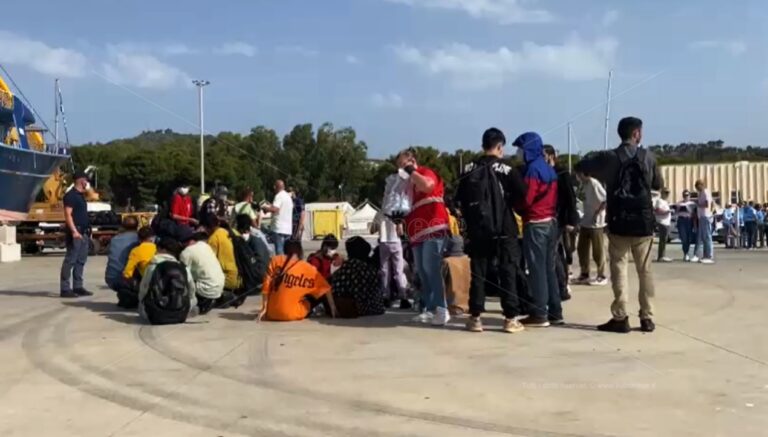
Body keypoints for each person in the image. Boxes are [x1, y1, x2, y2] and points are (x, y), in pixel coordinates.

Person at [576, 116, 662, 333]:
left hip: (618, 221)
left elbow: (582, 166)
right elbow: (658, 184)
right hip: (643, 222)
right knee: (645, 271)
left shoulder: (610, 157)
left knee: (619, 268)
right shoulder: (648, 156)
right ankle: (647, 316)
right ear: (637, 134)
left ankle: (620, 316)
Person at [455, 127, 527, 333]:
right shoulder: (507, 169)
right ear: (499, 146)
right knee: (508, 272)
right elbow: (523, 195)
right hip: (504, 228)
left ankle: (475, 317)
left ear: (482, 145)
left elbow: (458, 198)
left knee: (478, 272)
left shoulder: (468, 169)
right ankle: (510, 318)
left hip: (478, 230)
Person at [396, 148, 452, 326]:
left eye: (403, 164)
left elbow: (428, 186)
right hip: (416, 231)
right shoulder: (407, 185)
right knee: (421, 270)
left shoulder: (424, 172)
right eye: (399, 166)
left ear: (412, 161)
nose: (401, 168)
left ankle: (441, 308)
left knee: (431, 267)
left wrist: (411, 171)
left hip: (434, 225)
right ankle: (428, 308)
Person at [513, 132, 562, 328]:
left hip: (535, 223)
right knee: (549, 269)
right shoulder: (549, 169)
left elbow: (527, 199)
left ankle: (539, 313)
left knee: (536, 270)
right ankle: (555, 311)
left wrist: (515, 206)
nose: (518, 153)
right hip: (551, 222)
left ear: (528, 149)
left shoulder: (532, 170)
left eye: (520, 149)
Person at [259, 240, 337, 322]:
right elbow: (326, 288)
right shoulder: (307, 268)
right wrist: (333, 308)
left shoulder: (275, 260)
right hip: (293, 314)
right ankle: (316, 310)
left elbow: (265, 288)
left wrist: (264, 308)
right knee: (316, 293)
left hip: (271, 313)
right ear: (300, 251)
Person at [543, 145, 579, 299]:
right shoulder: (544, 172)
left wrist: (571, 220)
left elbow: (571, 198)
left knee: (556, 252)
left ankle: (562, 285)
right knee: (557, 252)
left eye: (543, 155)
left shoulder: (562, 173)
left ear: (551, 156)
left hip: (561, 218)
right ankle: (560, 284)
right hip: (550, 216)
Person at [138, 238, 197, 323]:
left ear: (161, 249)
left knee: (141, 303)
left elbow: (144, 289)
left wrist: (141, 303)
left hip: (156, 315)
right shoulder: (183, 267)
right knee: (194, 300)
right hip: (180, 314)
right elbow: (192, 289)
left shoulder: (152, 266)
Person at [330, 237, 386, 317]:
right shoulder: (370, 268)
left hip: (357, 308)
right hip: (376, 307)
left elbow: (337, 289)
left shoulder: (349, 267)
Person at [60, 171, 94, 298]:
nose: (88, 182)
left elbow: (94, 196)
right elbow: (68, 215)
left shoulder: (81, 195)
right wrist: (74, 231)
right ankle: (65, 288)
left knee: (81, 260)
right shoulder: (70, 196)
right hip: (76, 231)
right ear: (81, 180)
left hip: (84, 231)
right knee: (70, 260)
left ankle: (78, 286)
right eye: (86, 180)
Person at [373, 193, 410, 309]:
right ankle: (403, 297)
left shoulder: (379, 213)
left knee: (385, 271)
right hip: (396, 243)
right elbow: (400, 232)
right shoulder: (396, 214)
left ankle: (385, 296)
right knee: (398, 271)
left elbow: (372, 230)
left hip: (384, 243)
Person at [574, 168, 608, 284]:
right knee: (582, 248)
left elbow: (605, 200)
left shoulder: (594, 183)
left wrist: (597, 213)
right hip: (585, 220)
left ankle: (602, 275)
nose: (577, 176)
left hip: (596, 222)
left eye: (578, 174)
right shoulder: (583, 185)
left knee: (597, 250)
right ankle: (584, 273)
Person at [179, 232, 225, 314]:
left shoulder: (186, 252)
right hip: (220, 285)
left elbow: (184, 275)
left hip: (206, 289)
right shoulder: (205, 246)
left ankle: (201, 302)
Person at [204, 213, 240, 294]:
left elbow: (208, 263)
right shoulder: (233, 232)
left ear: (206, 228)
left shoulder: (213, 239)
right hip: (241, 277)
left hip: (229, 279)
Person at [104, 216, 140, 292]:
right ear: (137, 225)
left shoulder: (114, 239)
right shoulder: (139, 240)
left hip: (111, 278)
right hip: (128, 279)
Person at [262, 180, 294, 255]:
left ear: (276, 187)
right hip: (288, 229)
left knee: (279, 251)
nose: (273, 188)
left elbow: (275, 209)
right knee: (286, 251)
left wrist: (265, 208)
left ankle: (280, 266)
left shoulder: (279, 196)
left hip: (279, 228)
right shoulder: (288, 197)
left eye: (274, 186)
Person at [695, 180, 715, 263]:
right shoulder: (702, 193)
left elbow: (707, 204)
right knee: (704, 237)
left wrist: (698, 205)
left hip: (705, 216)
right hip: (702, 216)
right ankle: (705, 255)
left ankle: (709, 255)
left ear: (701, 185)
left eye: (697, 187)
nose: (697, 189)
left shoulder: (705, 192)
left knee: (707, 236)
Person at [676, 190, 699, 262]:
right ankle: (685, 253)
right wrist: (678, 208)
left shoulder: (693, 204)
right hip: (681, 220)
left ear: (689, 196)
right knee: (684, 238)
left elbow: (695, 215)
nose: (686, 197)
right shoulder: (679, 203)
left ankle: (687, 253)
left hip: (689, 220)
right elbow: (676, 212)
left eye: (687, 195)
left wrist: (695, 225)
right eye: (684, 195)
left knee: (689, 238)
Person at [654, 189, 673, 262]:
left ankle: (662, 255)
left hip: (666, 222)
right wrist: (666, 212)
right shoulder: (659, 201)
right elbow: (657, 210)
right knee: (663, 240)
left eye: (668, 193)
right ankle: (661, 256)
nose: (667, 195)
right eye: (666, 193)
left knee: (664, 240)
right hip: (662, 222)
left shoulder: (666, 202)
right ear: (662, 193)